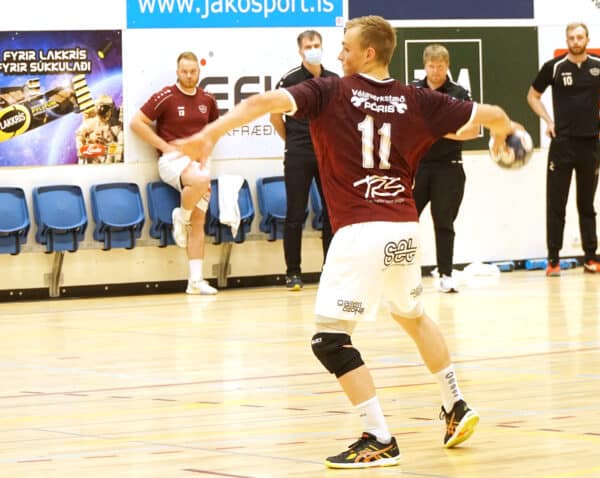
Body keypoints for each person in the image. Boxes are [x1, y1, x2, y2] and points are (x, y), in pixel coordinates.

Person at [176, 15, 525, 468]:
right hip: (404, 228)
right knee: (413, 316)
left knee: (330, 339)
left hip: (361, 232)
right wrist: (504, 133)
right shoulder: (417, 99)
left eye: (345, 47)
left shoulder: (330, 91)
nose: (338, 54)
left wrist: (209, 134)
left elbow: (264, 101)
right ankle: (455, 403)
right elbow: (493, 114)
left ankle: (378, 436)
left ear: (368, 53)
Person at [527, 22, 600, 277]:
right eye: (571, 37)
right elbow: (532, 96)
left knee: (586, 204)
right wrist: (548, 121)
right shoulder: (554, 67)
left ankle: (591, 259)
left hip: (590, 144)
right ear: (566, 40)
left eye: (580, 37)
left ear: (587, 39)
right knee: (556, 203)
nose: (576, 41)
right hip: (562, 144)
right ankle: (553, 261)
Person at [130, 51, 219, 295]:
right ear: (177, 72)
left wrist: (204, 154)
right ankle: (181, 215)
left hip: (198, 162)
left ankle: (195, 281)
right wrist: (165, 146)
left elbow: (213, 131)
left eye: (193, 71)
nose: (189, 75)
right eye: (184, 71)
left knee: (198, 222)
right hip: (172, 161)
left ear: (199, 72)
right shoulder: (166, 96)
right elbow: (136, 123)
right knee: (201, 179)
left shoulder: (208, 99)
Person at [269, 30, 339, 291]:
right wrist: (293, 142)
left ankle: (330, 270)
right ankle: (293, 272)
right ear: (300, 51)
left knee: (332, 213)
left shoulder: (334, 80)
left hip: (328, 155)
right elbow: (275, 117)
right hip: (298, 154)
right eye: (308, 46)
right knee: (295, 214)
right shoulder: (289, 80)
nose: (313, 49)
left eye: (316, 45)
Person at [411, 44, 475, 293]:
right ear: (424, 66)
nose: (436, 71)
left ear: (447, 66)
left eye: (440, 66)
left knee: (444, 222)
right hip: (418, 166)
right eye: (431, 66)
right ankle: (403, 276)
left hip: (449, 167)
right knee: (406, 221)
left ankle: (446, 274)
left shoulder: (459, 93)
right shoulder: (414, 91)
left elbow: (472, 130)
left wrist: (438, 131)